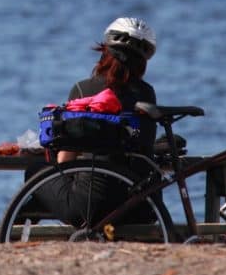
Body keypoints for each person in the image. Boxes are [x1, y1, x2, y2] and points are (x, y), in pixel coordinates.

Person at [31, 16, 160, 226]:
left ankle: (20, 234)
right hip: (140, 207)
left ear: (104, 52)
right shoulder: (147, 94)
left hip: (90, 208)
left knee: (35, 172)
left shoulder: (83, 90)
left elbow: (65, 162)